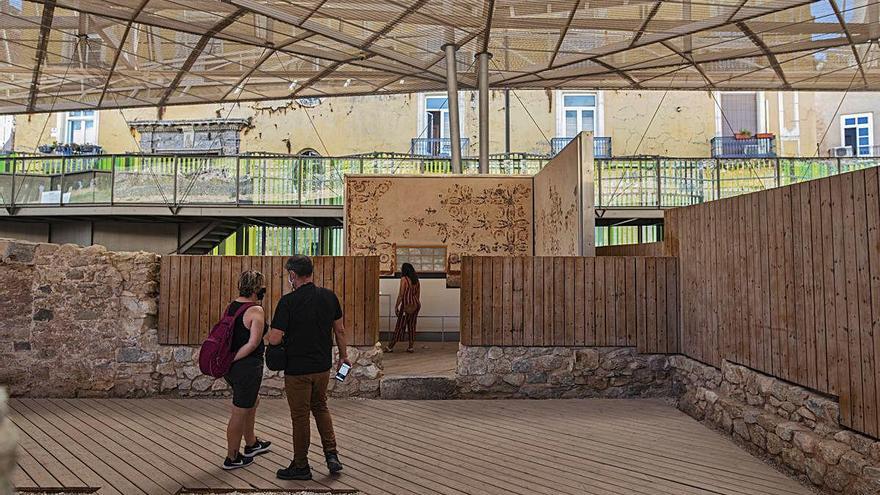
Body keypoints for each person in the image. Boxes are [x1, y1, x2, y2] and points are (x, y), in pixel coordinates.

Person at [268, 255, 351, 480]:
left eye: (289, 276)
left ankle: (301, 465)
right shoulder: (329, 297)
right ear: (310, 273)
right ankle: (332, 455)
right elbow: (340, 330)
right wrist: (343, 357)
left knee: (300, 416)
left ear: (293, 275)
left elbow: (275, 338)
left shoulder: (287, 302)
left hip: (297, 370)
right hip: (322, 367)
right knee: (321, 408)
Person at [222, 270, 272, 470]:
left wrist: (229, 361)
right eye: (262, 287)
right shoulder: (255, 310)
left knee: (253, 400)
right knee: (239, 411)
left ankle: (251, 443)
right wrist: (234, 358)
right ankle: (232, 457)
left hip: (232, 369)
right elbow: (253, 343)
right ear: (256, 288)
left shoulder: (231, 306)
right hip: (247, 366)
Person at [385, 262, 421, 353]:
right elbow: (417, 295)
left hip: (406, 305)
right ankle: (411, 347)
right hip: (416, 305)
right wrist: (414, 304)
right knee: (412, 325)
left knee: (400, 325)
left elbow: (401, 294)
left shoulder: (404, 279)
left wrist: (396, 306)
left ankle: (390, 346)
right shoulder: (416, 280)